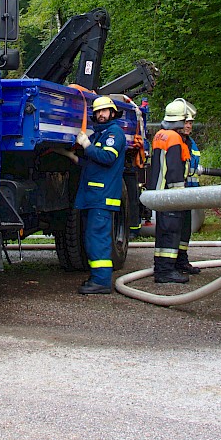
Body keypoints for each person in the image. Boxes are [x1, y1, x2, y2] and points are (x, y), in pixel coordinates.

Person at [74, 95, 127, 295]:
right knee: (92, 238)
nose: (100, 114)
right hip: (94, 196)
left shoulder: (114, 134)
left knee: (98, 239)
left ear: (112, 113)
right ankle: (97, 277)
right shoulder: (101, 133)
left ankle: (102, 281)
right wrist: (75, 158)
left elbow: (106, 157)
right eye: (97, 112)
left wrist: (87, 145)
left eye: (104, 111)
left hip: (102, 197)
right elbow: (93, 164)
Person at [148, 98, 192, 284]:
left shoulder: (160, 135)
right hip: (170, 194)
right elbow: (173, 168)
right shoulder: (174, 138)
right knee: (171, 231)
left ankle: (162, 267)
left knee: (164, 231)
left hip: (159, 192)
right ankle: (165, 271)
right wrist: (178, 194)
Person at [176, 101, 201, 275]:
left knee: (185, 230)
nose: (188, 126)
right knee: (174, 230)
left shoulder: (191, 143)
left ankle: (182, 260)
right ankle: (172, 263)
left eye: (190, 123)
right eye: (186, 122)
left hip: (188, 193)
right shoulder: (175, 141)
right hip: (176, 194)